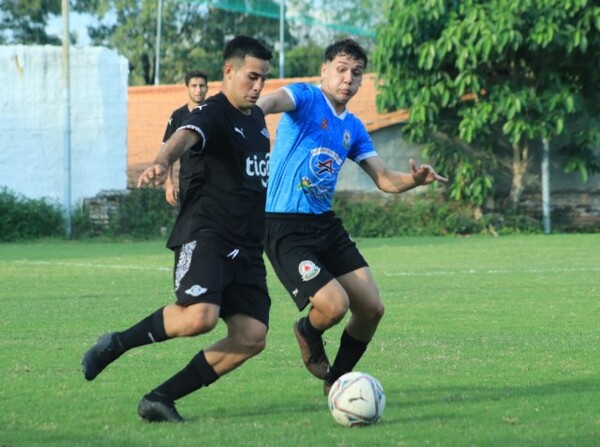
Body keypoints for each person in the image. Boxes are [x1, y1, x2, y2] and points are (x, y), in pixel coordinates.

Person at [82, 35, 273, 423]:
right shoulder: (212, 112)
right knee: (198, 317)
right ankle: (116, 343)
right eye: (252, 77)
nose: (258, 87)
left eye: (264, 80)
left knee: (252, 336)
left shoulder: (256, 119)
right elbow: (184, 136)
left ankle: (160, 397)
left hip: (248, 244)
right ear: (229, 71)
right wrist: (160, 161)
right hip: (208, 234)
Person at [257, 38, 448, 395]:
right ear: (325, 70)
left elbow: (385, 180)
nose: (348, 79)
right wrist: (256, 108)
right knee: (334, 306)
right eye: (341, 70)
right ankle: (308, 331)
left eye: (356, 73)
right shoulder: (306, 97)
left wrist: (415, 181)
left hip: (325, 224)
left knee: (372, 309)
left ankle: (336, 382)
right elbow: (272, 100)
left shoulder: (354, 128)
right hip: (284, 224)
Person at [162, 70, 209, 206]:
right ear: (187, 88)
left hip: (213, 183)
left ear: (207, 88)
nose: (198, 90)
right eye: (194, 86)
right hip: (188, 182)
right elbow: (168, 149)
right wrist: (169, 183)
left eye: (202, 86)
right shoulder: (177, 116)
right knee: (188, 225)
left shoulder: (214, 113)